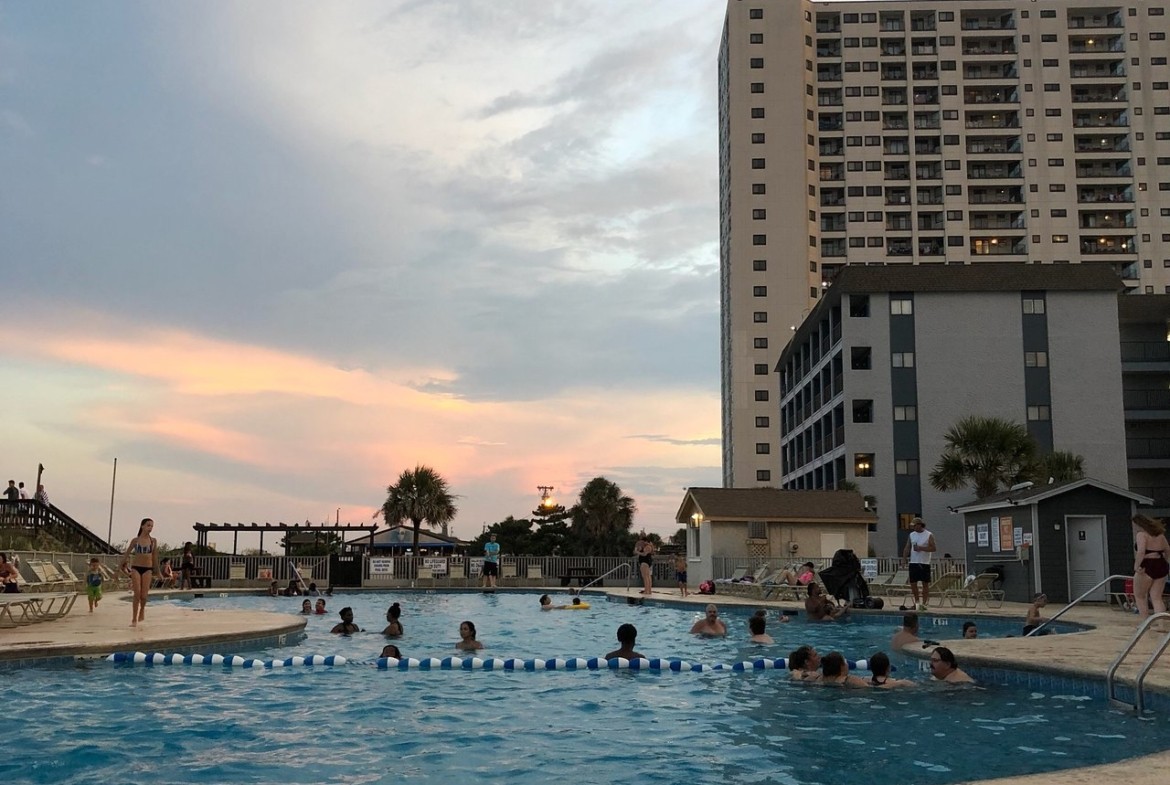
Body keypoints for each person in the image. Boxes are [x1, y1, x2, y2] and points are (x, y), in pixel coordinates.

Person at [121, 517, 158, 628]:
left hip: (148, 569)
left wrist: (158, 572)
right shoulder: (135, 541)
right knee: (137, 594)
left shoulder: (153, 541)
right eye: (148, 525)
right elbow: (126, 555)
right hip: (136, 568)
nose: (150, 528)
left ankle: (142, 610)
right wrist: (118, 569)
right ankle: (134, 619)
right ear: (142, 526)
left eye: (151, 526)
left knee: (144, 596)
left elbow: (155, 558)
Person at [1133, 513, 1169, 621]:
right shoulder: (1160, 535)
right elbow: (1168, 550)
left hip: (1146, 565)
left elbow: (1141, 552)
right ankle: (1161, 624)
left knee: (1140, 596)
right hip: (1161, 565)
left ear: (1139, 524)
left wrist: (1136, 566)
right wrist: (1167, 561)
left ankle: (1145, 623)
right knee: (1157, 597)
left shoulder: (1141, 535)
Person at [903, 516, 936, 611]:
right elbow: (907, 547)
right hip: (914, 562)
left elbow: (933, 548)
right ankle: (917, 603)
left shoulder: (929, 535)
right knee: (913, 583)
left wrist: (921, 548)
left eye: (915, 526)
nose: (913, 528)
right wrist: (904, 559)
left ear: (919, 525)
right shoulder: (912, 535)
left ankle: (924, 604)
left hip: (924, 563)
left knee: (925, 584)